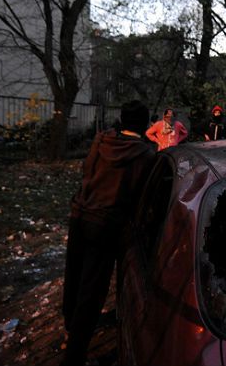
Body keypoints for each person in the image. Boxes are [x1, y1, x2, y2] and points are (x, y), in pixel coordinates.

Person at [62, 100, 156, 366]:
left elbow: (86, 172)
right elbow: (141, 199)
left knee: (75, 275)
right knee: (92, 292)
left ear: (122, 120)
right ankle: (73, 357)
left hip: (80, 214)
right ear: (145, 123)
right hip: (105, 226)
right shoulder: (145, 155)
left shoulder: (100, 141)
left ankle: (71, 323)